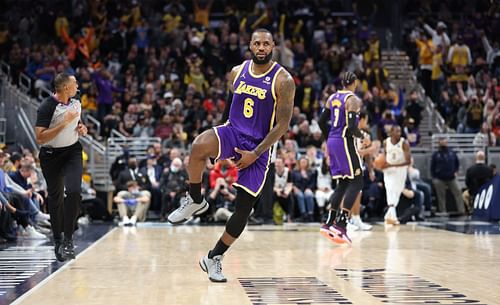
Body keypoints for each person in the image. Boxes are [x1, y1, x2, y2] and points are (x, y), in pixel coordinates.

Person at [167, 29, 295, 282]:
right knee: (198, 145)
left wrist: (255, 153)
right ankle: (195, 199)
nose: (261, 47)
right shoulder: (237, 71)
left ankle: (214, 257)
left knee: (243, 210)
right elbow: (229, 107)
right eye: (256, 43)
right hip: (233, 131)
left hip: (259, 145)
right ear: (250, 45)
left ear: (273, 47)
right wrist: (220, 143)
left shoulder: (284, 80)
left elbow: (283, 125)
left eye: (266, 44)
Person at [35, 72, 87, 262]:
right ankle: (57, 239)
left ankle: (68, 238)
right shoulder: (47, 107)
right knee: (55, 197)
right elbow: (40, 138)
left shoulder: (76, 100)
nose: (77, 86)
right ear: (66, 88)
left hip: (72, 151)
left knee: (74, 191)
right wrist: (64, 123)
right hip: (50, 156)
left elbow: (78, 121)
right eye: (75, 84)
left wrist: (82, 128)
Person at [318, 72, 370, 245]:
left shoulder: (332, 97)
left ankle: (329, 222)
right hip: (344, 142)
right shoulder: (353, 99)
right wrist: (362, 136)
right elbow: (351, 126)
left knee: (343, 183)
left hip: (333, 140)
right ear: (354, 83)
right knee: (357, 181)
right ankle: (341, 224)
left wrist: (329, 138)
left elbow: (320, 121)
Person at [380, 125, 411, 225]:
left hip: (400, 170)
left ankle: (389, 216)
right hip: (388, 170)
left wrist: (392, 165)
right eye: (397, 131)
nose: (399, 133)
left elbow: (408, 161)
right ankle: (392, 216)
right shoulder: (386, 142)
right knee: (389, 189)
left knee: (397, 192)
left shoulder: (404, 143)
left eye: (400, 131)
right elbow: (384, 156)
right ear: (391, 132)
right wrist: (382, 164)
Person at [431, 137, 465, 215]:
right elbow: (432, 167)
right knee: (441, 196)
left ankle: (462, 210)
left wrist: (456, 171)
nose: (443, 143)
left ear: (447, 142)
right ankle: (443, 211)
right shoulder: (436, 154)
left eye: (444, 141)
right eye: (441, 141)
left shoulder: (452, 153)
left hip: (451, 178)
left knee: (458, 192)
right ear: (439, 143)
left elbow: (457, 163)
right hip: (439, 178)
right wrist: (434, 177)